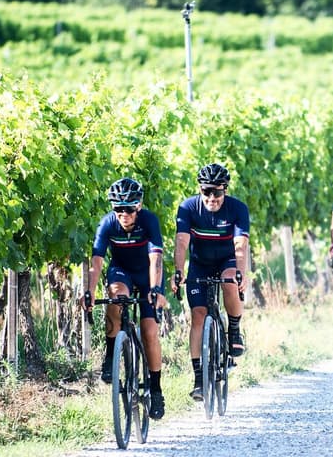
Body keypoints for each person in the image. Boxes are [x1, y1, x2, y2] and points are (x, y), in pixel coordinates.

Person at [84, 176, 168, 419]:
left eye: (129, 209)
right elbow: (97, 261)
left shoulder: (149, 221)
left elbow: (156, 259)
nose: (124, 214)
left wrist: (154, 289)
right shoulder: (107, 224)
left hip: (148, 274)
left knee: (149, 331)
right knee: (115, 297)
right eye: (118, 208)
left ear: (138, 206)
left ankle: (156, 388)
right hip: (122, 271)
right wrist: (89, 291)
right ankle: (111, 354)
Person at [170, 163, 252, 402]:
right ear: (200, 190)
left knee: (229, 282)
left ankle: (234, 330)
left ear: (225, 190)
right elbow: (182, 241)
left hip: (227, 259)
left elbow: (240, 245)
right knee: (198, 314)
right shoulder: (188, 208)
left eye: (217, 192)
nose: (212, 197)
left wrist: (240, 272)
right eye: (207, 191)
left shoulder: (237, 209)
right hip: (200, 263)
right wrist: (178, 270)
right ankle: (198, 378)